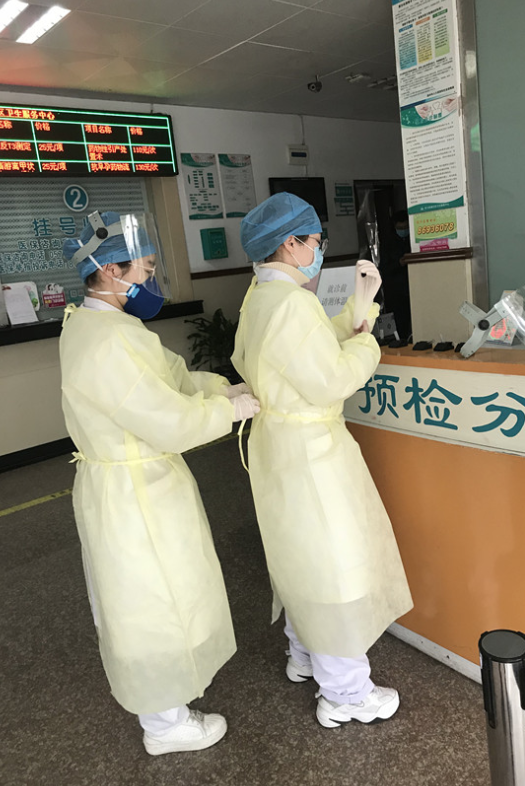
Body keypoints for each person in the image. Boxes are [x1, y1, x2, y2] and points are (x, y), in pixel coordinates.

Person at [59, 211, 260, 755]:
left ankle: (169, 706)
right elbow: (165, 418)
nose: (150, 279)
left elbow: (169, 379)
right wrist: (229, 411)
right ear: (110, 270)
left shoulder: (104, 326)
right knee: (150, 602)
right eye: (145, 269)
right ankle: (165, 725)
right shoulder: (106, 341)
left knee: (163, 592)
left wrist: (220, 389)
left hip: (137, 484)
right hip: (134, 493)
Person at [232, 193, 413, 729]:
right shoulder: (290, 304)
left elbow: (303, 349)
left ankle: (304, 653)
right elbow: (331, 376)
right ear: (290, 244)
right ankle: (346, 693)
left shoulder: (260, 296)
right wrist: (368, 343)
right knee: (334, 565)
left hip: (281, 447)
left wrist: (359, 310)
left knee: (300, 556)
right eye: (314, 240)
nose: (319, 249)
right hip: (311, 452)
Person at [381, 209, 412, 341]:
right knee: (400, 320)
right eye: (400, 228)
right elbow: (384, 268)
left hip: (412, 285)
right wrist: (399, 263)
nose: (403, 230)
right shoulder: (388, 243)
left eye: (405, 227)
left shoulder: (412, 240)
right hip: (395, 289)